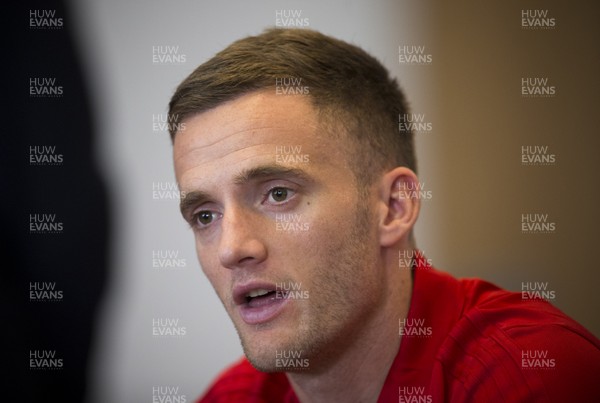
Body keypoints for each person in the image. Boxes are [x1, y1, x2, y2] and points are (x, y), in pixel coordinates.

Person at [168, 28, 600, 402]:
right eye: (205, 216)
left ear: (394, 207)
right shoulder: (234, 396)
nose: (231, 248)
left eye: (278, 193)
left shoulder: (526, 376)